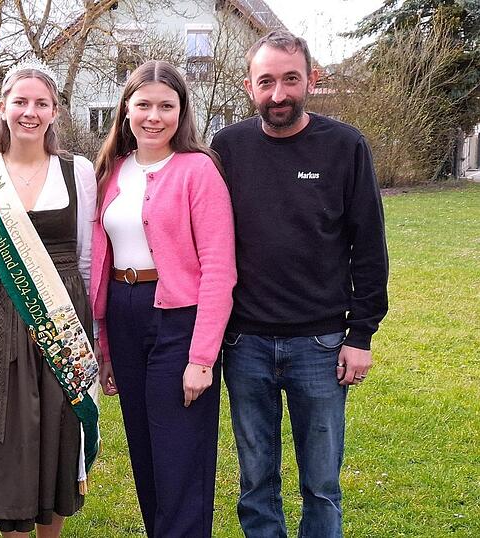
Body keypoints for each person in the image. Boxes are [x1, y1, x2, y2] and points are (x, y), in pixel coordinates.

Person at [211, 30, 389, 537]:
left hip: (321, 343)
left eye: (291, 79)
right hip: (244, 344)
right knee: (256, 483)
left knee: (321, 485)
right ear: (249, 86)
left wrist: (361, 336)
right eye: (266, 81)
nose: (279, 94)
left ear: (311, 78)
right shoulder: (228, 148)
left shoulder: (344, 146)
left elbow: (370, 248)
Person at [0, 61, 100, 537]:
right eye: (20, 101)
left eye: (40, 103)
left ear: (55, 111)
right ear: (2, 107)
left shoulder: (78, 172)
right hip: (0, 322)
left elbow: (85, 259)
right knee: (8, 446)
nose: (29, 112)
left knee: (59, 438)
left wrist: (89, 334)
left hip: (62, 320)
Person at [88, 60, 236, 537]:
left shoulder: (198, 170)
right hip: (125, 315)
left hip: (179, 320)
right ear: (126, 110)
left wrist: (202, 358)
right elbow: (103, 265)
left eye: (166, 106)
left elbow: (219, 269)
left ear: (181, 111)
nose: (154, 116)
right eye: (144, 104)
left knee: (180, 458)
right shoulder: (110, 171)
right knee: (146, 455)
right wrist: (106, 348)